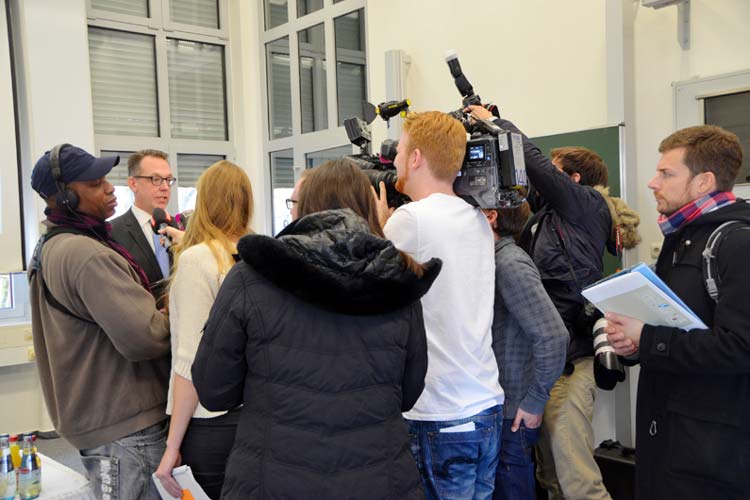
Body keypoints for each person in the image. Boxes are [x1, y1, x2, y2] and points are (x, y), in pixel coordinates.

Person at [191, 159, 439, 499]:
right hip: (378, 480)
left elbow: (214, 391)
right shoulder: (399, 280)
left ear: (304, 209)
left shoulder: (251, 277)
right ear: (369, 207)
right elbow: (408, 394)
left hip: (272, 480)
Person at [466, 105, 616, 500]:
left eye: (554, 169)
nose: (539, 179)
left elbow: (533, 166)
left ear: (574, 179)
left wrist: (497, 126)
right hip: (546, 365)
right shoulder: (543, 220)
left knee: (577, 478)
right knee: (549, 476)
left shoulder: (586, 205)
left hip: (569, 359)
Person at [605, 125, 750, 500]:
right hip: (667, 440)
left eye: (667, 173)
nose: (653, 183)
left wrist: (648, 338)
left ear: (704, 182)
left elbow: (739, 348)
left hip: (712, 458)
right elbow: (673, 324)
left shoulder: (737, 243)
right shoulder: (680, 239)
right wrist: (633, 345)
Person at [28, 144, 170, 500]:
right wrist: (183, 304)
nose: (109, 189)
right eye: (94, 183)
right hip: (127, 426)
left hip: (101, 423)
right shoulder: (87, 254)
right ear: (63, 196)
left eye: (106, 179)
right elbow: (146, 337)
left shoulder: (51, 246)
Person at [374, 110, 504, 500]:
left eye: (399, 150)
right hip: (485, 405)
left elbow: (370, 288)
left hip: (440, 413)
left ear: (416, 159)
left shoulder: (411, 220)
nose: (393, 160)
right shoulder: (477, 218)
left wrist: (380, 225)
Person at [154, 161, 253, 498]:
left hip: (211, 422)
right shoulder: (259, 253)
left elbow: (191, 364)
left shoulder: (199, 261)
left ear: (205, 202)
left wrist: (171, 446)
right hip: (255, 418)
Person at [482, 202, 568, 500]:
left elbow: (554, 336)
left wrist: (535, 400)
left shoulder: (509, 263)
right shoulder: (492, 260)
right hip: (499, 410)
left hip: (512, 416)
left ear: (491, 217)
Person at [110, 149, 175, 303]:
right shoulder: (113, 233)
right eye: (156, 179)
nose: (165, 187)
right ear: (133, 184)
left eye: (168, 180)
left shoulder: (180, 226)